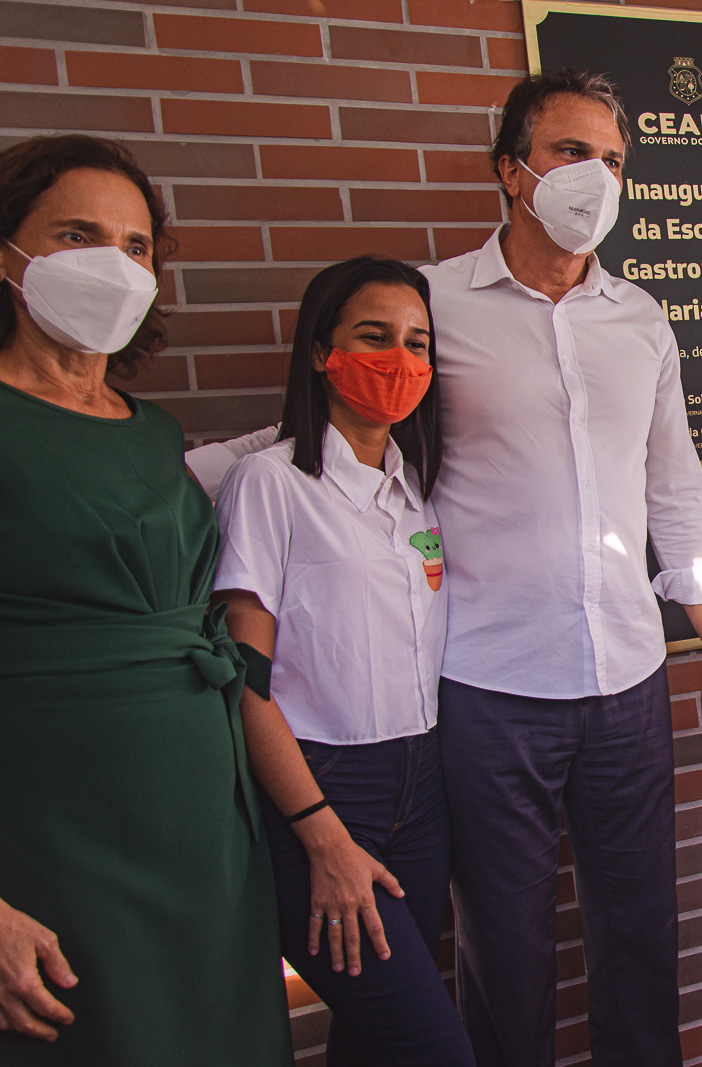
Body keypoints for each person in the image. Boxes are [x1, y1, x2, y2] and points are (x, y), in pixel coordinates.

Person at [422, 71, 702, 1067]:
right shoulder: (432, 302)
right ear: (509, 170)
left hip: (626, 681)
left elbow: (674, 491)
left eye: (612, 159)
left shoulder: (639, 318)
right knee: (504, 952)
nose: (595, 175)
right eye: (570, 151)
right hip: (487, 685)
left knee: (641, 939)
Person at [0, 135, 290, 1063]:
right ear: (8, 254)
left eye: (135, 246)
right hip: (55, 834)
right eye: (76, 235)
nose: (113, 265)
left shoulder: (153, 430)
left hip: (205, 829)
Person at [212, 257, 474, 1066]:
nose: (400, 358)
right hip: (323, 790)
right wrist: (320, 833)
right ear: (323, 352)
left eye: (417, 343)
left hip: (421, 789)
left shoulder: (415, 490)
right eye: (374, 336)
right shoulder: (270, 483)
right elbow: (243, 683)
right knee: (433, 1047)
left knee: (374, 1039)